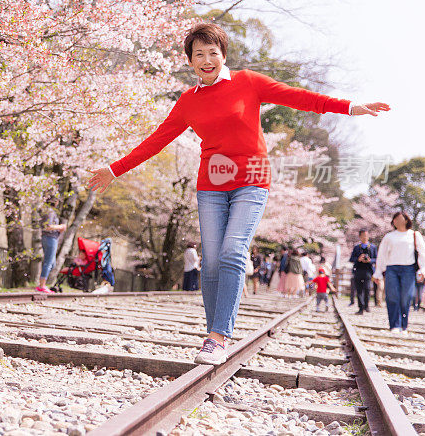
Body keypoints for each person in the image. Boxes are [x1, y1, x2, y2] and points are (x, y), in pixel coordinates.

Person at [86, 22, 389, 364]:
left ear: (223, 55)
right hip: (211, 186)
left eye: (212, 53)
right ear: (190, 61)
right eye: (198, 54)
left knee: (232, 251)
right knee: (211, 261)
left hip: (252, 181)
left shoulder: (248, 82)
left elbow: (300, 98)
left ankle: (218, 337)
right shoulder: (188, 102)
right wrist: (114, 169)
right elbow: (157, 141)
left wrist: (350, 107)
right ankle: (212, 334)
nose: (206, 60)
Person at [373, 211, 425, 333]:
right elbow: (382, 255)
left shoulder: (414, 235)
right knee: (392, 297)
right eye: (395, 219)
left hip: (408, 269)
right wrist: (378, 273)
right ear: (393, 222)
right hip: (391, 269)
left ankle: (404, 325)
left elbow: (424, 253)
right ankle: (394, 325)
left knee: (406, 297)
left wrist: (423, 269)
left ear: (406, 220)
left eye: (400, 218)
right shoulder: (389, 237)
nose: (397, 221)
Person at [36, 199, 67, 293]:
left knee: (52, 263)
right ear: (55, 201)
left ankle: (42, 284)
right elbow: (47, 226)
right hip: (50, 239)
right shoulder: (50, 211)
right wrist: (60, 227)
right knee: (48, 262)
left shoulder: (48, 211)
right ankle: (42, 286)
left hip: (51, 238)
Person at [350, 229, 377, 315]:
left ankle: (367, 306)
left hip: (368, 271)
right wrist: (358, 259)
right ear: (360, 236)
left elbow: (376, 259)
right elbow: (351, 259)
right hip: (358, 270)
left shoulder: (372, 247)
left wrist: (369, 260)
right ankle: (360, 308)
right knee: (359, 289)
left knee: (367, 288)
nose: (365, 237)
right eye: (363, 235)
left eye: (366, 235)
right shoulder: (357, 247)